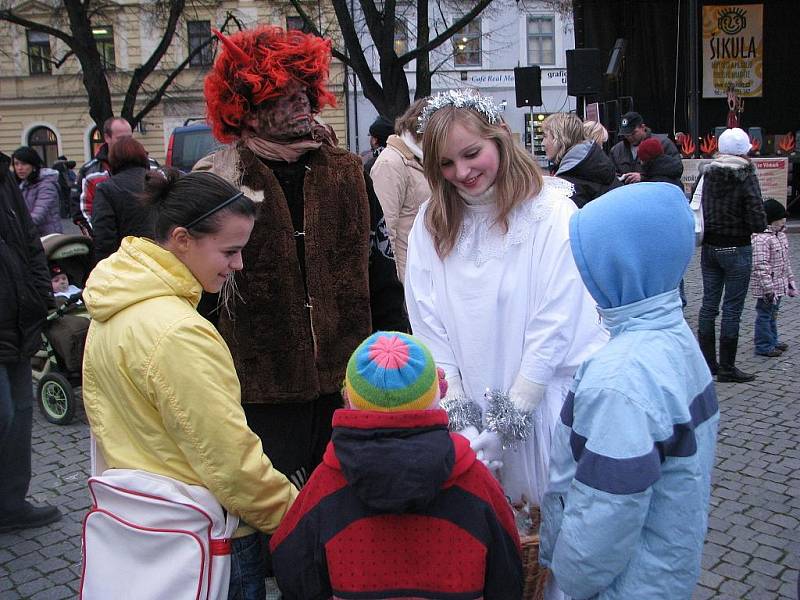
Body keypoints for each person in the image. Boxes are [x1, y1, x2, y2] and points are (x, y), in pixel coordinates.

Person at [195, 26, 407, 492]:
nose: (301, 102)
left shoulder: (347, 171)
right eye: (280, 94)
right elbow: (199, 296)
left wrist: (397, 351)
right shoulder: (219, 181)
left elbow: (379, 269)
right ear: (246, 109)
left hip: (349, 384)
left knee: (348, 508)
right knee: (273, 518)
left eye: (304, 90)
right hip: (261, 394)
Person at [81, 168, 298, 598]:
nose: (239, 264)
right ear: (182, 239)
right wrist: (296, 513)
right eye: (230, 251)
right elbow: (231, 464)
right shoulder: (178, 331)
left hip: (144, 525)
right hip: (206, 536)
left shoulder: (114, 305)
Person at [405, 90, 607, 516]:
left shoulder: (550, 212)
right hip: (467, 418)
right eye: (445, 163)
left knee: (543, 540)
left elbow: (554, 323)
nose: (461, 172)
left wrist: (508, 422)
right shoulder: (432, 220)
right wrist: (458, 415)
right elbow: (427, 321)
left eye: (471, 153)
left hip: (540, 409)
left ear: (498, 137)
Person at [540, 182, 719, 599]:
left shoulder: (621, 378)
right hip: (664, 568)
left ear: (619, 264)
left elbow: (604, 516)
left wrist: (564, 581)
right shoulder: (675, 337)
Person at [269, 331, 524, 599]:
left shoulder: (326, 483)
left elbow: (292, 567)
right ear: (438, 394)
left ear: (349, 398)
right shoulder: (475, 481)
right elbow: (508, 576)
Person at [0, 149, 62, 533]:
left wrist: (40, 296)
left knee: (21, 415)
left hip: (18, 319)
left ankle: (10, 504)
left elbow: (28, 241)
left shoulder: (5, 177)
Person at [697, 127, 767, 383]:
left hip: (710, 248)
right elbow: (758, 218)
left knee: (708, 306)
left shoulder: (707, 174)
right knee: (732, 309)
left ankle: (707, 365)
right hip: (737, 247)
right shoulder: (745, 175)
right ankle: (727, 367)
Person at [370, 98, 431, 281]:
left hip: (427, 274)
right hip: (407, 278)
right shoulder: (390, 163)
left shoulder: (423, 159)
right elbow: (385, 233)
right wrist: (397, 286)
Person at [73, 117, 158, 235]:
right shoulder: (90, 172)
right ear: (107, 137)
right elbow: (83, 212)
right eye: (121, 139)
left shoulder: (152, 166)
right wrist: (98, 236)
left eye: (129, 138)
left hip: (149, 241)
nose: (126, 142)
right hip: (112, 243)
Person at [92, 136, 154, 262]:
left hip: (127, 260)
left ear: (113, 159)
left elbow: (104, 236)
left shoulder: (107, 189)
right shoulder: (158, 182)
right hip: (162, 258)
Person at [542, 112, 621, 208]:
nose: (543, 143)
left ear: (558, 139)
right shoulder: (589, 165)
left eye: (545, 136)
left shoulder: (571, 181)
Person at [751, 199, 796, 357]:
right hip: (767, 287)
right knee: (764, 315)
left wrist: (790, 282)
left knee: (773, 314)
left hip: (779, 284)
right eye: (780, 219)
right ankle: (763, 344)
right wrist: (768, 290)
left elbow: (786, 261)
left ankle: (772, 340)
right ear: (771, 220)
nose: (783, 221)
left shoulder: (780, 235)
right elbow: (760, 266)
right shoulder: (761, 239)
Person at [610, 111, 680, 184]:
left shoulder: (663, 143)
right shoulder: (616, 150)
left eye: (633, 133)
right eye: (626, 135)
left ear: (643, 127)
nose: (630, 137)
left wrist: (643, 177)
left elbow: (675, 169)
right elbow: (612, 176)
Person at [11, 146, 63, 236]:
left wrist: (15, 228)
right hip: (31, 236)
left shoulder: (46, 184)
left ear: (33, 165)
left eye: (24, 164)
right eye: (16, 164)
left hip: (48, 238)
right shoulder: (22, 183)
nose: (19, 168)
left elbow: (38, 214)